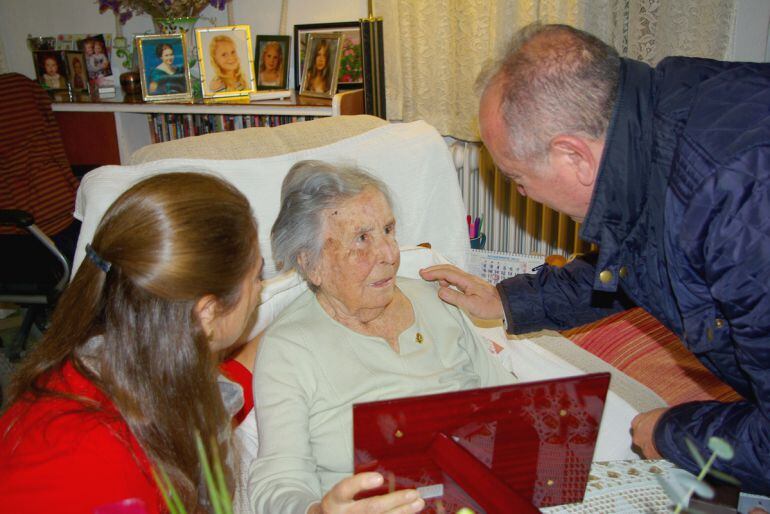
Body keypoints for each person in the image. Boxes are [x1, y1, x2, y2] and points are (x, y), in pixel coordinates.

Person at [419, 23, 770, 494]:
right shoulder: (656, 117)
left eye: (518, 179)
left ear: (574, 157)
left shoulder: (737, 208)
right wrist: (506, 301)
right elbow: (635, 254)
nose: (521, 193)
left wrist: (672, 432)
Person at [249, 160, 516, 513]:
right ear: (311, 263)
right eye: (362, 239)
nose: (390, 254)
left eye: (388, 230)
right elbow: (278, 483)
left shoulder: (438, 299)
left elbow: (510, 407)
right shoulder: (290, 348)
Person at [0, 172, 263, 513]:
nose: (260, 290)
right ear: (208, 312)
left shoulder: (117, 359)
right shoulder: (94, 460)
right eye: (257, 276)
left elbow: (225, 380)